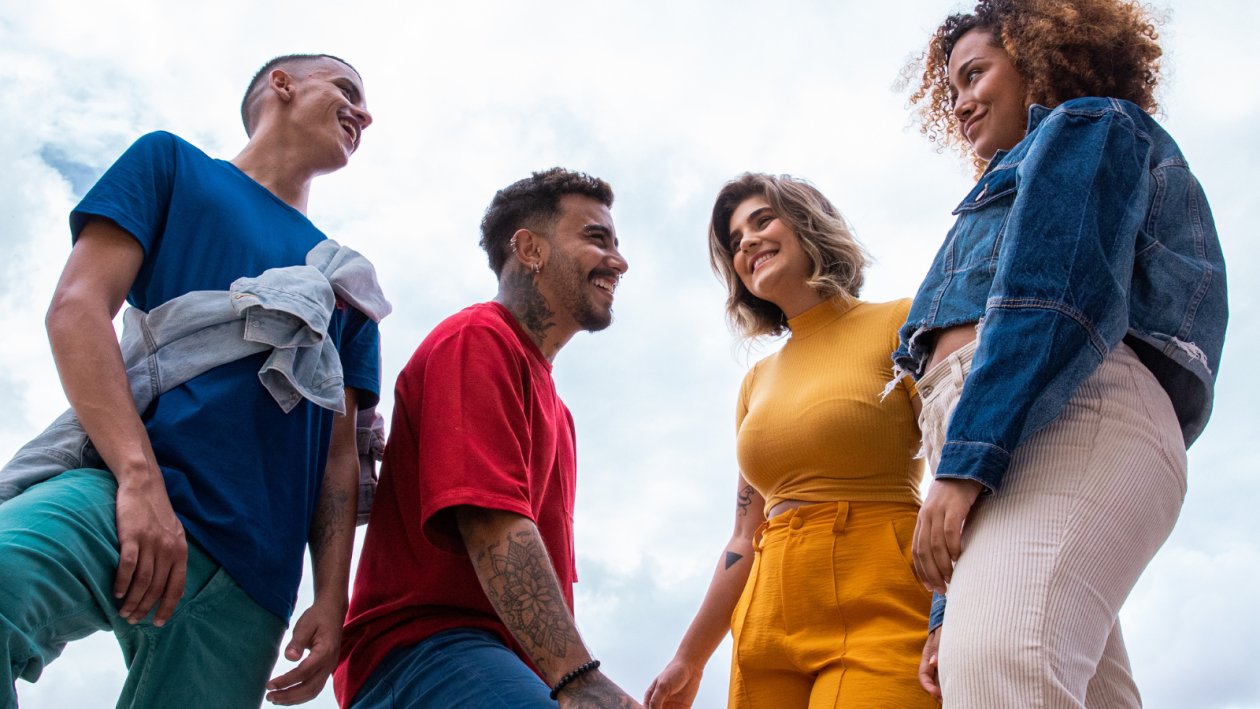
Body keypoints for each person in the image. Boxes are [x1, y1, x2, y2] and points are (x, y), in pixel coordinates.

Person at [0, 54, 383, 708]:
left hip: (250, 585)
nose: (364, 113)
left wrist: (329, 596)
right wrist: (138, 480)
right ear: (281, 86)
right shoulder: (172, 166)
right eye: (346, 89)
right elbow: (77, 309)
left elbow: (338, 456)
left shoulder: (345, 281)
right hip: (125, 496)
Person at [896, 0, 1228, 705]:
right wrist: (948, 612)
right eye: (950, 89)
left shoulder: (1089, 125)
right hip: (1008, 432)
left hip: (1072, 409)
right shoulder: (1006, 181)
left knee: (998, 670)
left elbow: (1054, 298)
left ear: (1035, 59)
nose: (960, 102)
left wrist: (961, 467)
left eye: (975, 74)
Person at [335, 169, 640, 709]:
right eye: (597, 238)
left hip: (507, 663)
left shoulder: (559, 413)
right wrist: (579, 681)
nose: (618, 260)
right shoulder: (477, 338)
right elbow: (489, 522)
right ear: (529, 248)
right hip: (421, 650)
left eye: (617, 244)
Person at [645, 173, 935, 709]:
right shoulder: (756, 381)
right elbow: (741, 536)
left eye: (762, 221)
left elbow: (956, 463)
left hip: (880, 593)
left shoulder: (902, 321)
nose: (748, 242)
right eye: (736, 241)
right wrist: (690, 657)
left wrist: (952, 608)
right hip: (767, 616)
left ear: (808, 226)